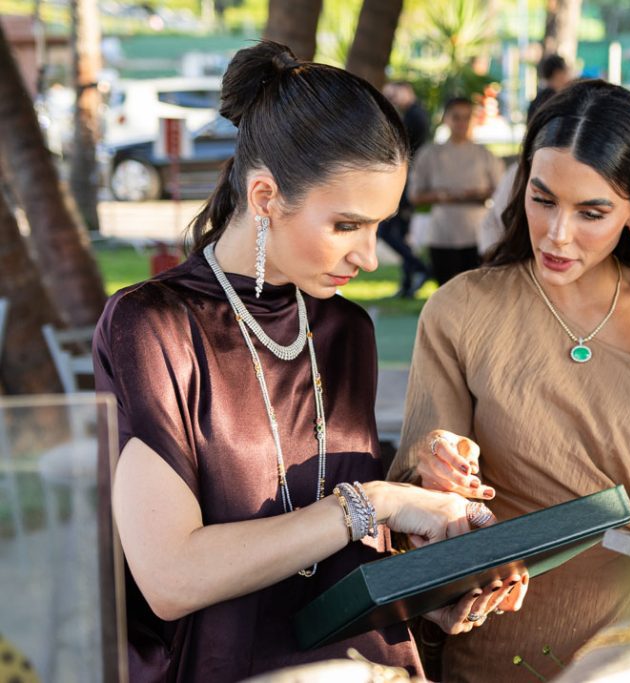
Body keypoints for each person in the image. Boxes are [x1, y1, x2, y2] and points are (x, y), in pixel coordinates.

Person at [92, 42, 524, 683]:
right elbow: (171, 577)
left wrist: (429, 590)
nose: (370, 258)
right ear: (265, 196)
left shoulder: (346, 329)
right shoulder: (154, 325)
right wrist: (374, 501)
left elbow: (343, 561)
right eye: (348, 225)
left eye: (380, 226)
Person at [390, 79, 630, 683]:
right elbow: (421, 496)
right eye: (542, 199)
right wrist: (437, 465)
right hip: (501, 640)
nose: (557, 234)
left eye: (591, 212)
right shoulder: (460, 309)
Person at [408, 96, 504, 286]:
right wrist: (444, 195)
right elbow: (414, 195)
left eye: (466, 117)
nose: (461, 123)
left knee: (477, 292)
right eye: (456, 117)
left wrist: (478, 193)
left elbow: (501, 192)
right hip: (443, 232)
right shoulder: (430, 154)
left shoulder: (485, 155)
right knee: (446, 290)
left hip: (477, 233)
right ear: (446, 119)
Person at [379, 81, 430, 298]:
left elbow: (400, 148)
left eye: (394, 94)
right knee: (399, 234)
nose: (392, 99)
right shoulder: (412, 114)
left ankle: (422, 269)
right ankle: (408, 283)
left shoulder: (414, 116)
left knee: (388, 232)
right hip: (405, 183)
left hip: (406, 186)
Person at [527, 54, 572, 121]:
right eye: (566, 71)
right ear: (558, 73)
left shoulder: (537, 99)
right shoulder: (558, 100)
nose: (569, 77)